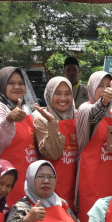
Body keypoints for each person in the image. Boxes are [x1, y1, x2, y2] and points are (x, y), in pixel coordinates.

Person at [75, 71, 112, 222]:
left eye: (107, 85)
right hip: (90, 179)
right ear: (91, 87)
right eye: (100, 86)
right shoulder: (85, 109)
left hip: (111, 180)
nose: (105, 89)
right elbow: (94, 116)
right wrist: (103, 103)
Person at [0, 66, 45, 170]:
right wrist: (9, 120)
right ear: (2, 85)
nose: (17, 87)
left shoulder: (26, 108)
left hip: (26, 173)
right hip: (5, 177)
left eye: (21, 83)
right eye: (11, 83)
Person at [34, 76, 80, 206]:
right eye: (57, 93)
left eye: (67, 94)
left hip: (77, 182)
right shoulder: (40, 118)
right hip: (53, 186)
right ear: (49, 95)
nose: (63, 99)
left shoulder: (78, 116)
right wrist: (52, 123)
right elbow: (53, 153)